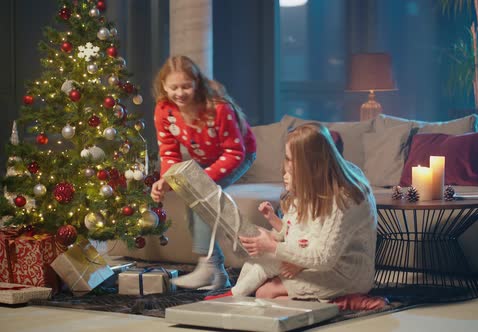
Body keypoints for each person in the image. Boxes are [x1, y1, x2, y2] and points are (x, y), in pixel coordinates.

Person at [210, 123, 377, 301]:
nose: (285, 165)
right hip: (310, 261)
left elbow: (323, 258)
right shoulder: (315, 180)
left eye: (290, 159)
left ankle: (347, 303)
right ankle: (232, 296)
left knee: (265, 293)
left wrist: (272, 246)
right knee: (259, 269)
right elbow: (299, 231)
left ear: (309, 162)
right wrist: (269, 237)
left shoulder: (343, 197)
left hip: (344, 273)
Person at [150, 55, 256, 290]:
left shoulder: (217, 107)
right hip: (205, 158)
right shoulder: (164, 109)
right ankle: (215, 273)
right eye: (173, 87)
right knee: (192, 194)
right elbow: (169, 152)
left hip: (239, 155)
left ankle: (209, 267)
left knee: (200, 194)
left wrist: (202, 181)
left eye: (186, 86)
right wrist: (165, 181)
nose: (180, 93)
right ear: (163, 87)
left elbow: (234, 152)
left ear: (197, 83)